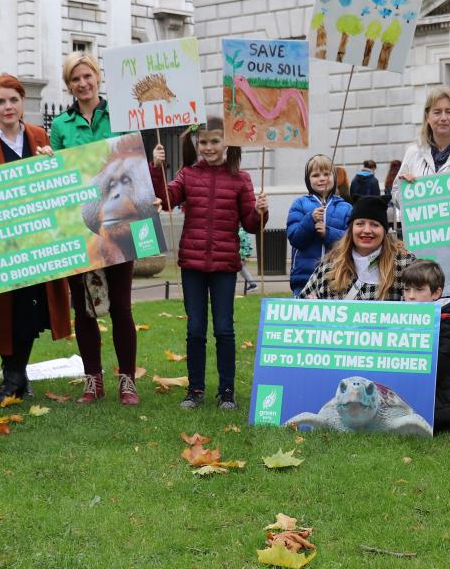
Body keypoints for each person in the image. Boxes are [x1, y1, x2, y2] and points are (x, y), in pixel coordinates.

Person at [0, 74, 72, 403]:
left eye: (13, 100)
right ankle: (14, 374)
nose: (8, 107)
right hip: (1, 246)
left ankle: (15, 375)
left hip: (36, 241)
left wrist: (53, 166)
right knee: (9, 310)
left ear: (22, 103)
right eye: (0, 102)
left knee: (32, 308)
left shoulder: (37, 137)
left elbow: (53, 187)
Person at [151, 117, 267, 410]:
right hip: (192, 265)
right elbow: (166, 199)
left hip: (225, 266)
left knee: (224, 329)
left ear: (226, 143)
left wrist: (261, 212)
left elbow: (252, 224)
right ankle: (195, 389)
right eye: (203, 142)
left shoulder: (241, 179)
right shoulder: (187, 175)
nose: (209, 147)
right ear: (196, 144)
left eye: (215, 141)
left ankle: (226, 391)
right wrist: (156, 167)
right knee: (196, 330)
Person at [48, 51, 140, 406]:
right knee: (84, 307)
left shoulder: (120, 115)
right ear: (69, 85)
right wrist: (48, 161)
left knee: (121, 305)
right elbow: (56, 174)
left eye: (88, 76)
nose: (82, 84)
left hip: (119, 220)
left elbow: (133, 162)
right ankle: (93, 379)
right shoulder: (61, 125)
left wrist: (153, 157)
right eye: (75, 79)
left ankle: (127, 380)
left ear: (98, 78)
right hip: (79, 225)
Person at [403, 258, 450, 433]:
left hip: (443, 410)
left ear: (436, 293)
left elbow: (435, 369)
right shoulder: (411, 319)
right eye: (407, 289)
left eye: (419, 290)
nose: (411, 295)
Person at [300, 196, 417, 301]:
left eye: (375, 225)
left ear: (384, 231)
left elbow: (426, 306)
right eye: (360, 224)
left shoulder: (404, 264)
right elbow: (302, 303)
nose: (366, 230)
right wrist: (310, 305)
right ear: (351, 229)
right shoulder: (330, 266)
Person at [286, 154, 352, 296]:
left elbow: (351, 240)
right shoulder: (300, 204)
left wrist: (327, 233)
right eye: (316, 175)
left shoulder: (346, 207)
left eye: (326, 174)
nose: (322, 178)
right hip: (304, 277)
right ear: (308, 180)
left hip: (336, 277)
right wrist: (310, 220)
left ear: (334, 177)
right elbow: (295, 238)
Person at [238, 227, 258, 294]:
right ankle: (253, 284)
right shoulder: (241, 231)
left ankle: (253, 285)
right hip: (240, 254)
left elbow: (246, 244)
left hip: (241, 254)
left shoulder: (241, 232)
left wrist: (246, 255)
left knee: (241, 270)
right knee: (242, 270)